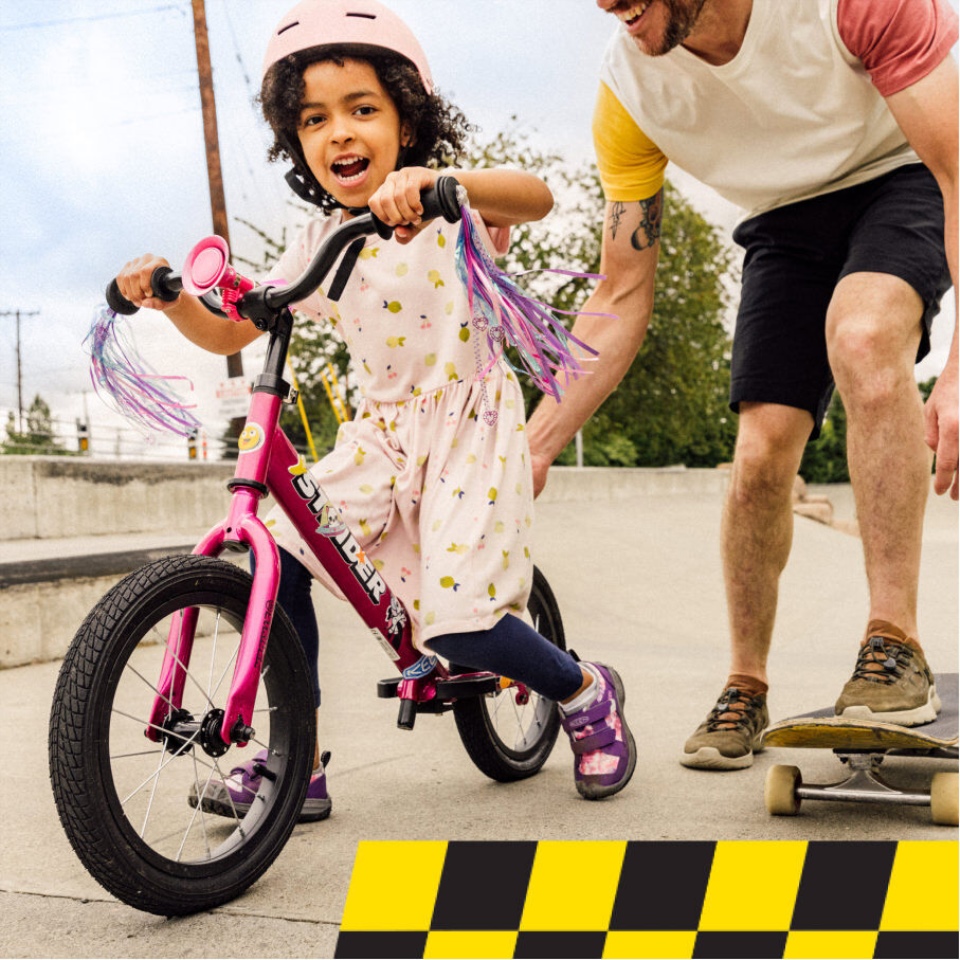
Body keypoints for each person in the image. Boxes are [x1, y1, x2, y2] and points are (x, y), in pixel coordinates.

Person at [115, 0, 636, 813]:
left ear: (407, 117)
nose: (339, 133)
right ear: (297, 141)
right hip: (381, 437)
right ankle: (296, 759)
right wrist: (170, 300)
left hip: (468, 429)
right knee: (278, 558)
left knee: (460, 626)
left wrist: (440, 186)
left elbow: (534, 196)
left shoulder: (449, 209)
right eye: (314, 119)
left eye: (363, 109)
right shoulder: (316, 238)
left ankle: (583, 691)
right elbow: (229, 332)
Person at [526, 0, 958, 770]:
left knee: (861, 336)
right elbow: (621, 292)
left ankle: (894, 643)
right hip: (786, 221)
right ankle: (746, 685)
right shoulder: (630, 91)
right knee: (759, 458)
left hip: (906, 175)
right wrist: (531, 447)